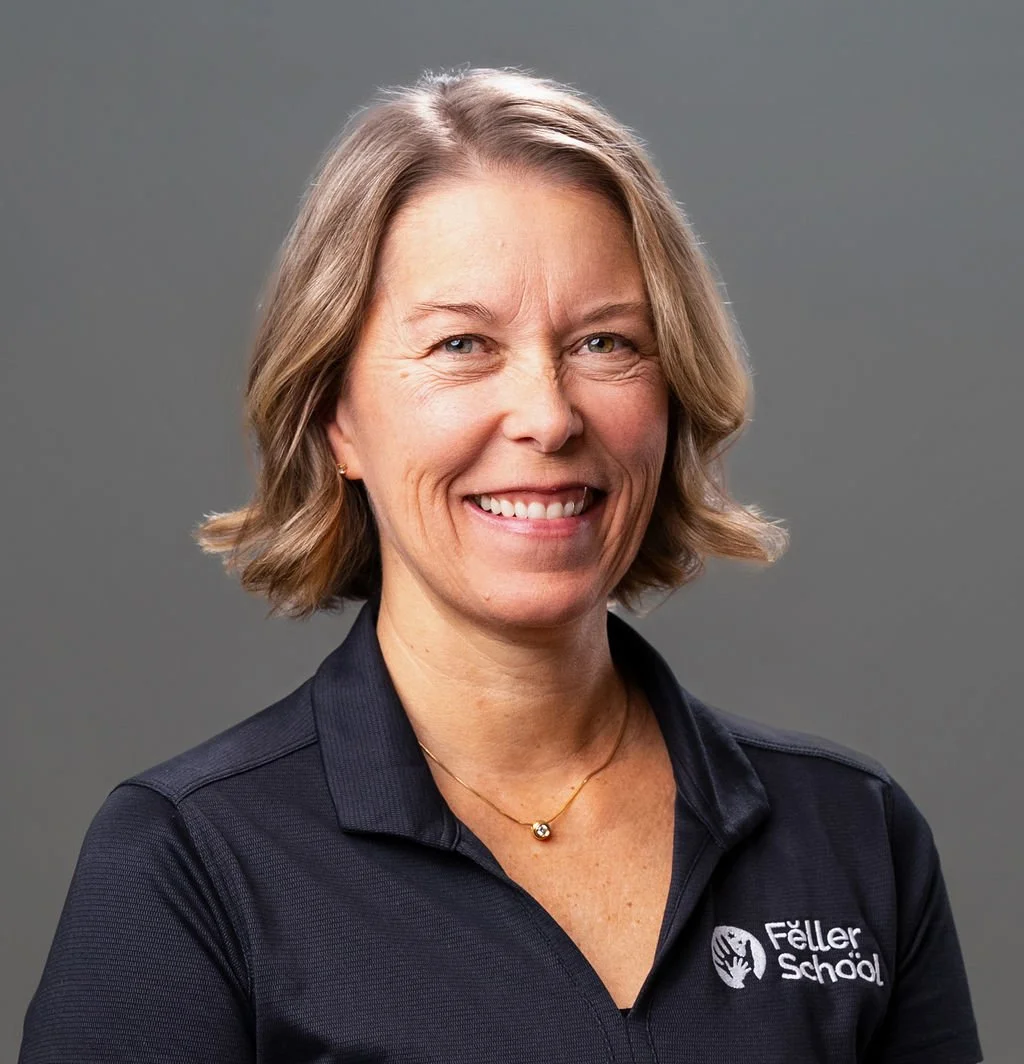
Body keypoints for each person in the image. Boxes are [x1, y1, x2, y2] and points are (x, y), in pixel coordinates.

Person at [19, 67, 982, 1063]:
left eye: (606, 341)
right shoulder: (193, 858)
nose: (550, 414)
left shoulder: (850, 834)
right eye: (463, 343)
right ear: (336, 412)